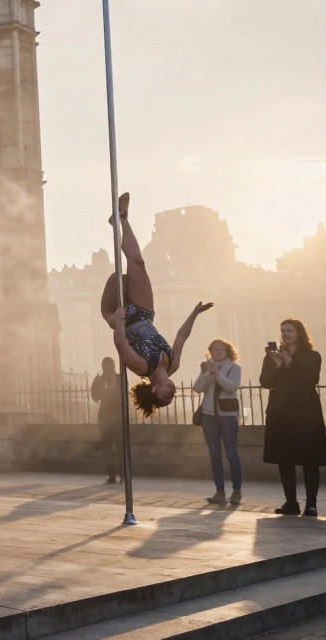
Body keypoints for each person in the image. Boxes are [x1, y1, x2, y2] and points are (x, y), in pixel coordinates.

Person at [102, 192, 213, 417]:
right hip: (144, 313)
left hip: (121, 317)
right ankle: (122, 219)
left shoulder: (142, 367)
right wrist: (194, 313)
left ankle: (119, 223)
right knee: (138, 262)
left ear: (154, 389)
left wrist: (119, 318)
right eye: (172, 396)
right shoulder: (172, 365)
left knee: (118, 277)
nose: (172, 392)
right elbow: (181, 337)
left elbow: (121, 345)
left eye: (165, 395)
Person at [260, 318, 326, 517]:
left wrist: (289, 363)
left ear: (299, 333)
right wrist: (276, 365)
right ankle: (291, 502)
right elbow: (264, 382)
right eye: (283, 330)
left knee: (310, 458)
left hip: (305, 413)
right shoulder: (272, 356)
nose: (285, 334)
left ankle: (311, 504)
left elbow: (311, 380)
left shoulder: (311, 355)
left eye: (289, 330)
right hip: (280, 412)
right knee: (284, 458)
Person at [193, 339, 244, 505]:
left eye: (221, 348)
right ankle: (219, 491)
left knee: (231, 453)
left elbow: (231, 387)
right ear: (211, 352)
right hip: (209, 416)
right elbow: (197, 388)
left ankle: (236, 491)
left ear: (228, 351)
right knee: (215, 455)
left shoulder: (235, 368)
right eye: (214, 349)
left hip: (228, 415)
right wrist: (208, 373)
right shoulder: (206, 368)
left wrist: (217, 374)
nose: (218, 351)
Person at [91, 357, 124, 484]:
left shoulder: (120, 378)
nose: (111, 368)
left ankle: (123, 474)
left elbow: (124, 395)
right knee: (107, 448)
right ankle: (111, 475)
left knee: (121, 447)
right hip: (105, 418)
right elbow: (95, 396)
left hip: (117, 416)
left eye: (112, 365)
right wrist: (102, 379)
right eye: (108, 366)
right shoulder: (99, 380)